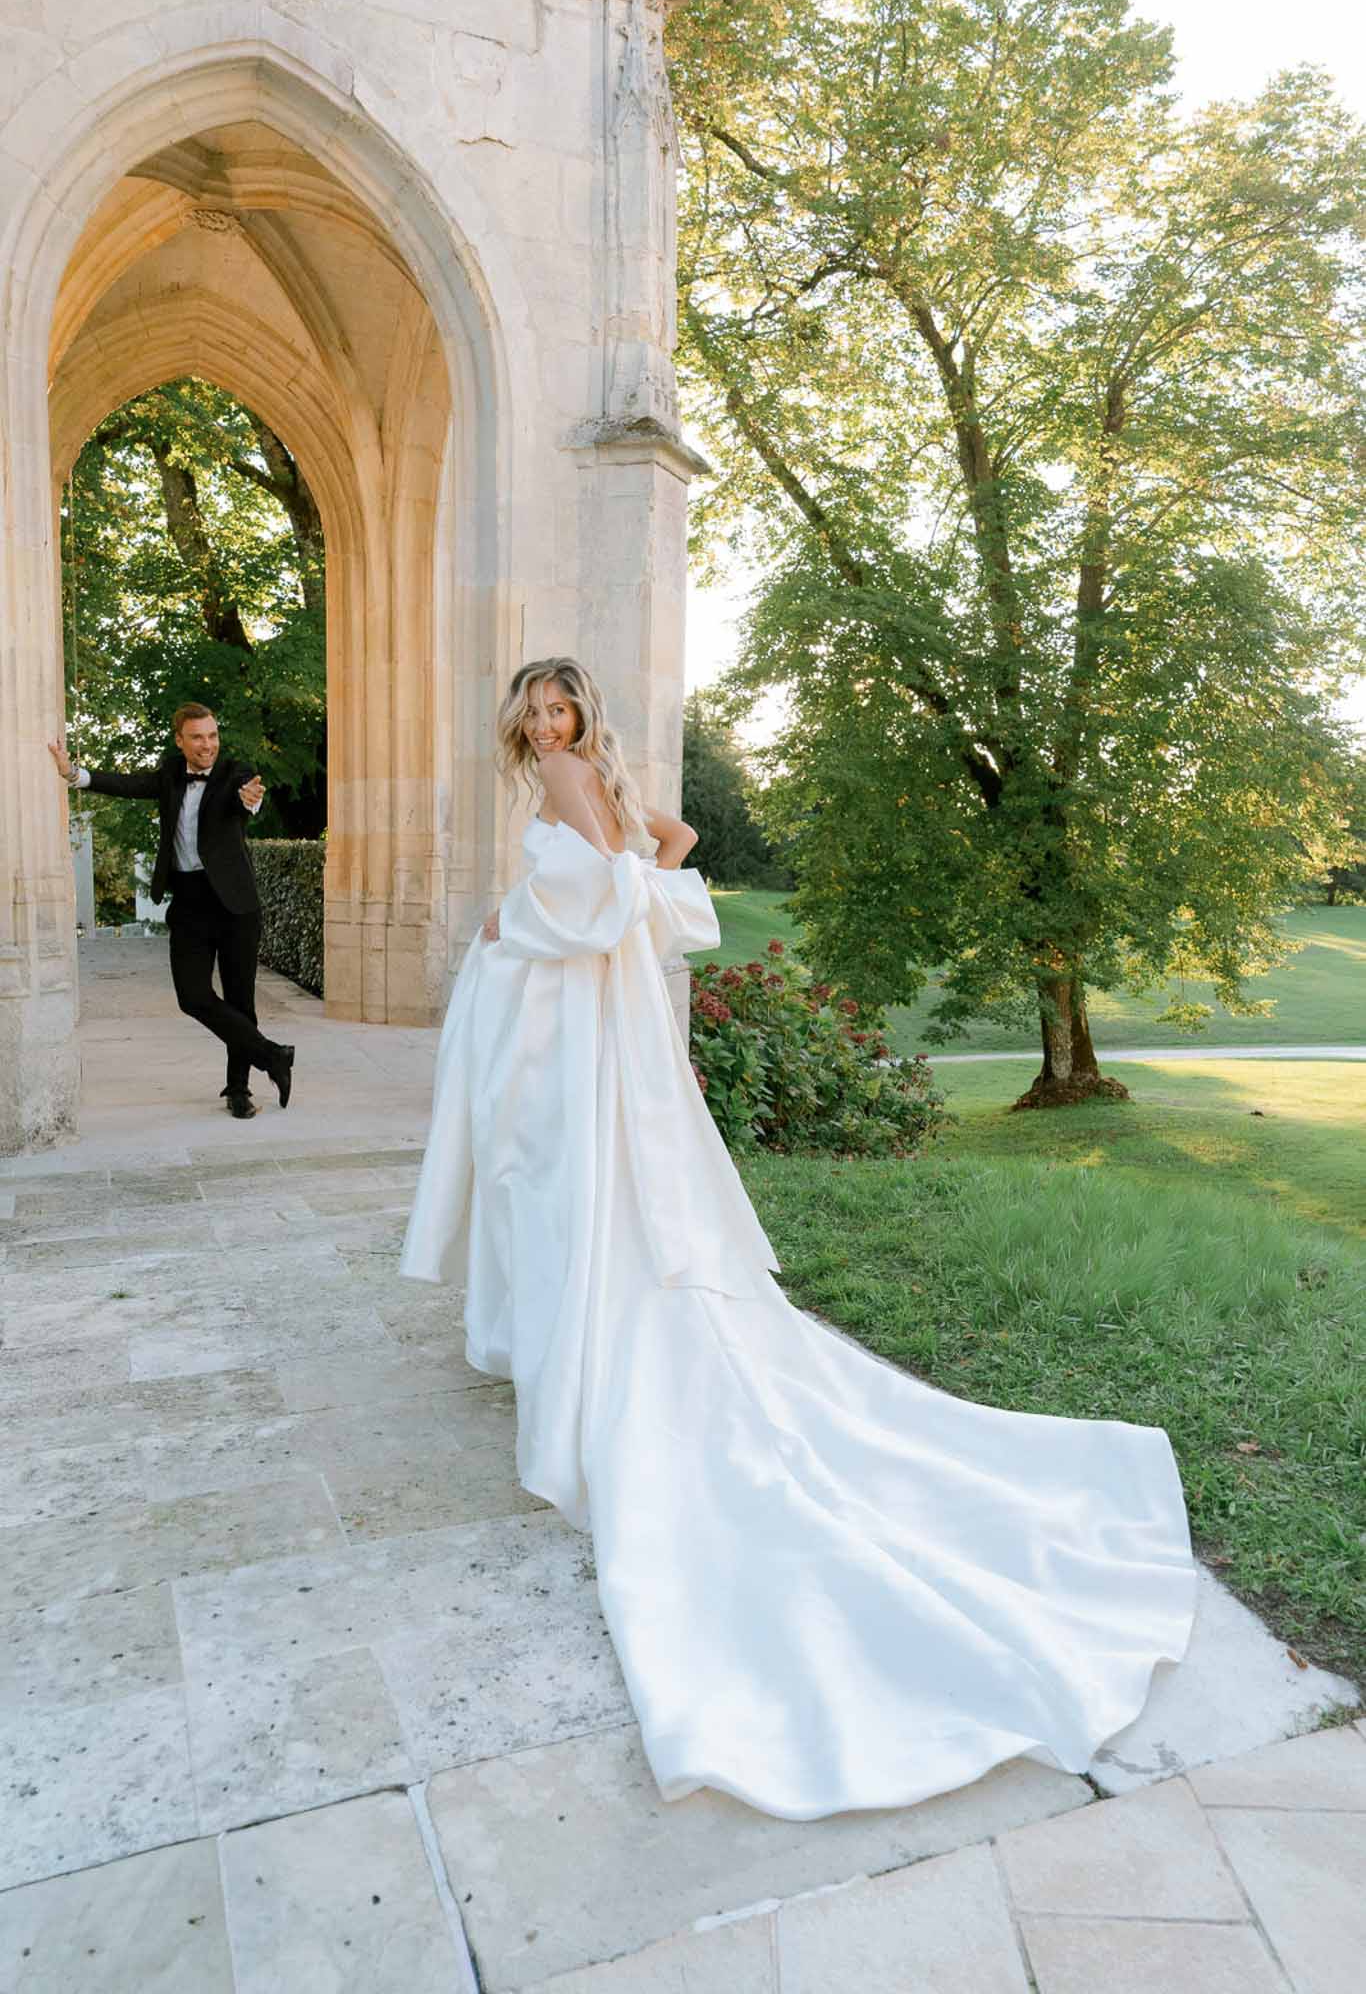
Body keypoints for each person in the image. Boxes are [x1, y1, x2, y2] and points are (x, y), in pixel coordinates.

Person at [401, 658, 1196, 1821]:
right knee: (566, 1178)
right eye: (532, 706)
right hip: (578, 1014)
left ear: (579, 718)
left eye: (560, 706)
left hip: (561, 1014)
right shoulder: (591, 780)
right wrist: (597, 878)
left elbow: (608, 892)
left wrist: (509, 912)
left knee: (545, 1173)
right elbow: (664, 845)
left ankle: (569, 1343)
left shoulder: (568, 777)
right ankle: (562, 1328)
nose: (546, 722)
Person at [49, 704, 295, 1120]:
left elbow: (247, 795)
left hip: (236, 905)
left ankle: (239, 1090)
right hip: (190, 902)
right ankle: (273, 1055)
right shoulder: (168, 774)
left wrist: (251, 799)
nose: (207, 745)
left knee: (240, 999)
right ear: (180, 740)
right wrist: (75, 774)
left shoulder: (235, 770)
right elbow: (127, 784)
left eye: (213, 736)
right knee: (192, 997)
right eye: (197, 737)